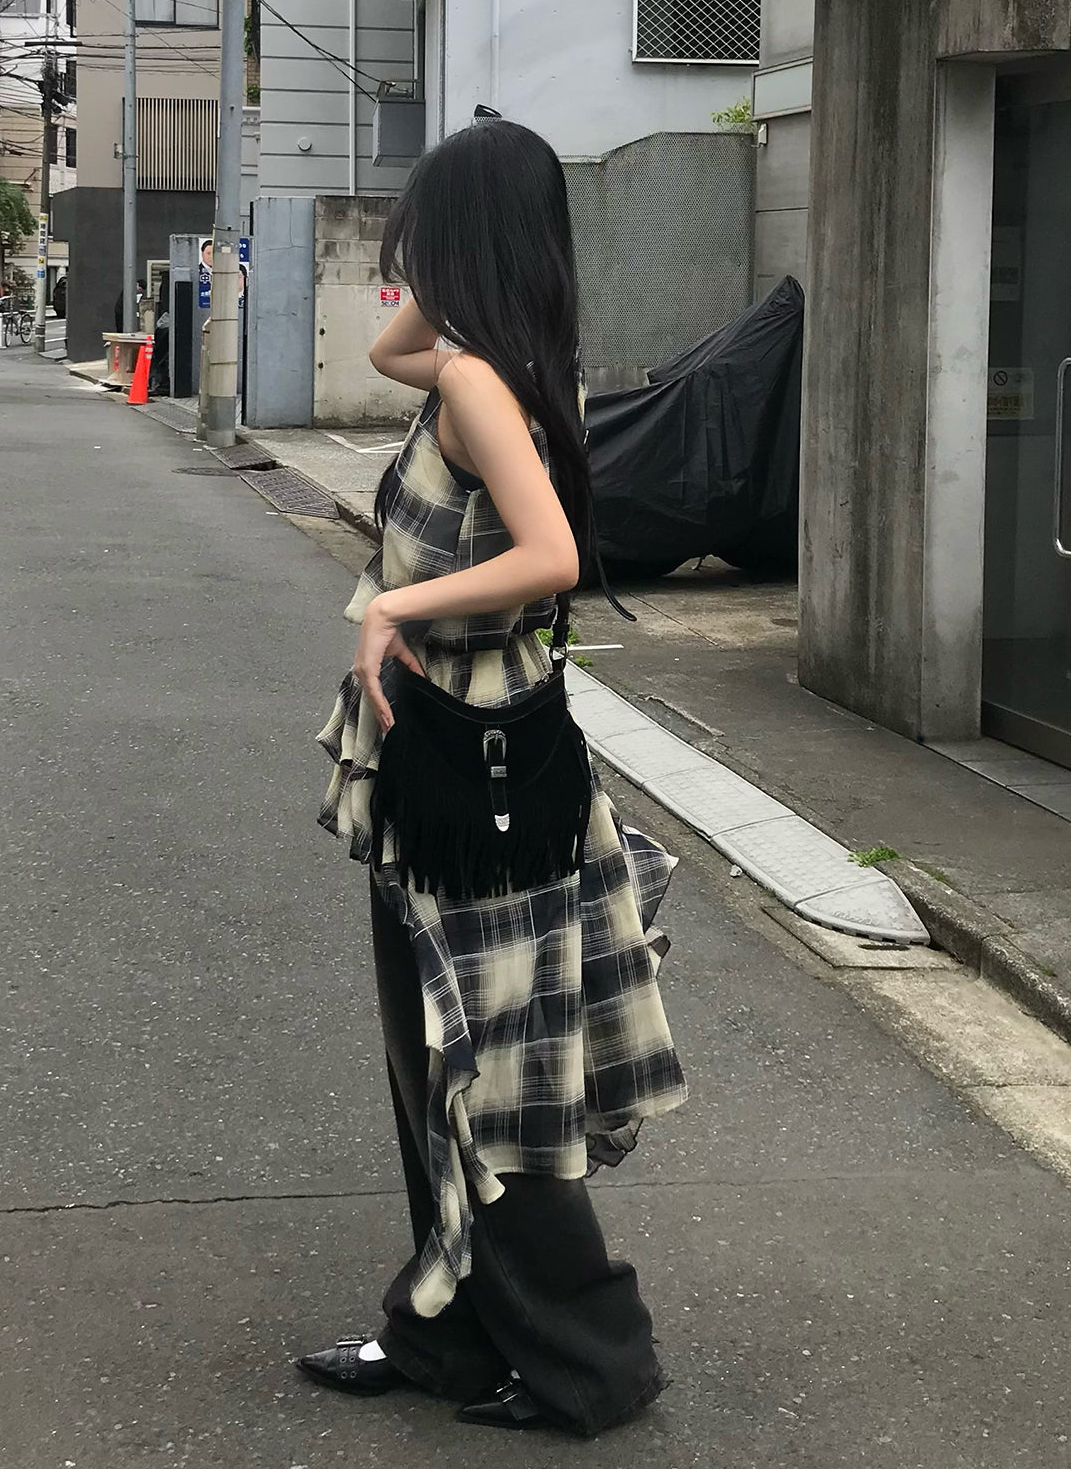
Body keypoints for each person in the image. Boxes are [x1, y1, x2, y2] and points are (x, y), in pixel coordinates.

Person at [302, 119, 688, 1438]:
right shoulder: (514, 363)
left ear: (463, 236)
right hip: (477, 754)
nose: (405, 258)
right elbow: (386, 350)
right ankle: (449, 1338)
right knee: (449, 1065)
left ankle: (589, 1362)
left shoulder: (480, 384)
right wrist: (446, 288)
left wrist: (392, 608)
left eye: (426, 230)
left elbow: (550, 556)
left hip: (473, 771)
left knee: (482, 1075)